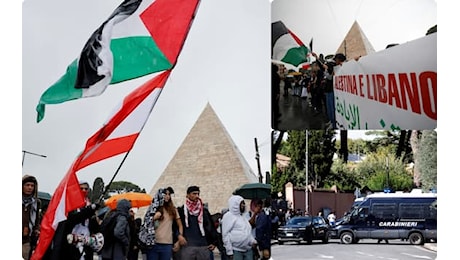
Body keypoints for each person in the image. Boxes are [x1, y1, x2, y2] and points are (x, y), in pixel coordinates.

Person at [176, 186, 218, 260]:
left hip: (203, 246)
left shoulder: (204, 211)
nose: (197, 196)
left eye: (198, 194)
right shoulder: (181, 211)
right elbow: (176, 226)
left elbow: (211, 227)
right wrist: (179, 236)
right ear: (187, 195)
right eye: (194, 194)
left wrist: (214, 242)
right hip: (187, 247)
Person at [146, 187, 187, 260]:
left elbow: (180, 225)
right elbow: (146, 224)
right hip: (153, 243)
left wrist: (179, 239)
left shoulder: (173, 209)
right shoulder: (153, 209)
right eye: (165, 194)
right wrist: (153, 218)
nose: (167, 196)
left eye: (169, 194)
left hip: (167, 244)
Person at [221, 195, 257, 260]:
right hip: (236, 250)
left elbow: (247, 232)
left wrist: (253, 241)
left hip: (247, 249)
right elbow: (225, 234)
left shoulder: (242, 217)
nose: (243, 205)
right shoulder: (229, 216)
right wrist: (229, 252)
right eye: (241, 203)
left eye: (244, 203)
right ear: (235, 204)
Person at [22, 175, 41, 260]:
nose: (30, 188)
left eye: (32, 186)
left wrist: (36, 229)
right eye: (27, 185)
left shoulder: (36, 202)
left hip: (26, 238)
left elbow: (37, 219)